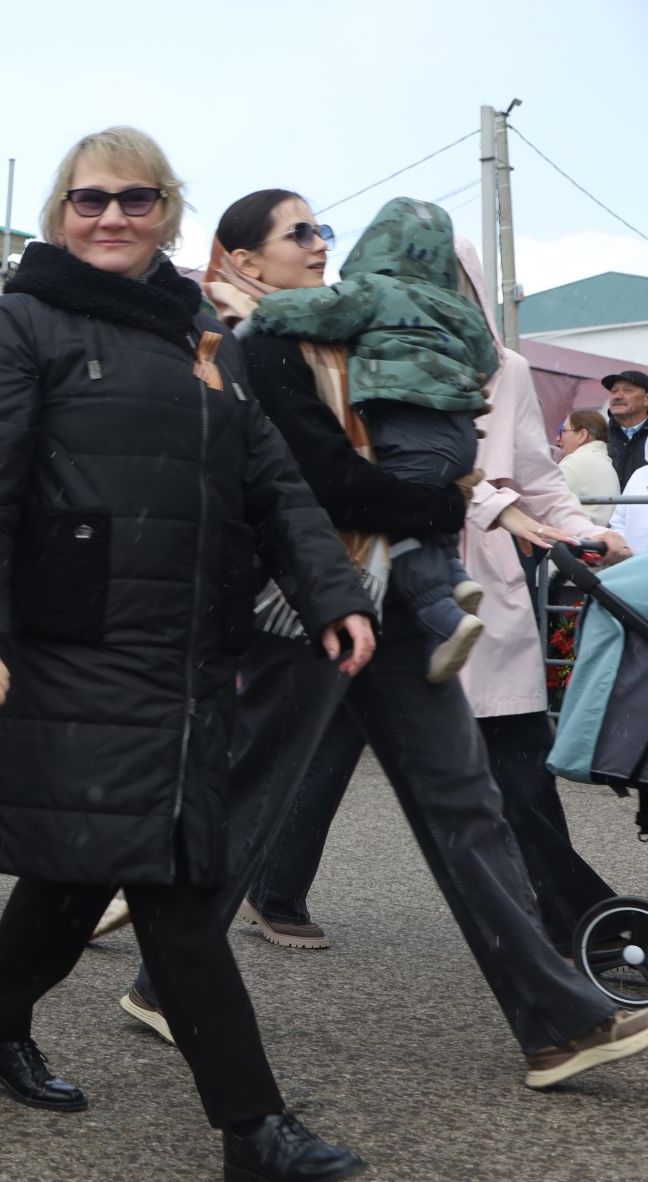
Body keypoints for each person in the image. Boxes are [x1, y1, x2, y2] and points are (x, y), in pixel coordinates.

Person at [123, 184, 648, 1089]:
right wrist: (448, 501)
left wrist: (479, 502)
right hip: (308, 605)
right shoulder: (261, 345)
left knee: (465, 806)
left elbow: (445, 450)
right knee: (254, 798)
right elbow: (328, 484)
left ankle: (558, 1018)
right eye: (300, 234)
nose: (321, 244)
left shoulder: (355, 338)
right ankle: (161, 977)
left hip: (396, 605)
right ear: (245, 263)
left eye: (323, 229)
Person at [0, 129, 376, 1182]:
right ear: (59, 210)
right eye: (90, 199)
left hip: (182, 650)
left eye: (137, 200)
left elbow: (267, 478)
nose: (112, 217)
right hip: (72, 643)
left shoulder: (194, 331)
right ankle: (252, 1127)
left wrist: (331, 592)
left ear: (168, 213)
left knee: (82, 864)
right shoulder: (24, 321)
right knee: (175, 877)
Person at [245, 238, 632, 955]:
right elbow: (380, 465)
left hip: (482, 587)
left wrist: (579, 529)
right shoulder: (359, 351)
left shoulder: (505, 366)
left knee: (511, 766)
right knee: (327, 753)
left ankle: (576, 932)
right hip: (391, 570)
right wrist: (490, 507)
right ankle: (209, 918)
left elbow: (535, 472)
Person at [249, 198, 500, 682]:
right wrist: (452, 383)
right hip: (461, 427)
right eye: (301, 234)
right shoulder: (458, 306)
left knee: (405, 528)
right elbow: (488, 361)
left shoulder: (373, 290)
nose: (319, 245)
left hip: (407, 423)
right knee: (432, 503)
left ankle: (443, 618)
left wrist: (265, 313)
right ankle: (456, 577)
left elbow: (322, 310)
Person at [558, 411, 620, 525]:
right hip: (600, 537)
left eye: (563, 431)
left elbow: (547, 506)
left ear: (582, 435)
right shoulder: (604, 462)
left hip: (576, 538)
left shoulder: (573, 463)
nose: (558, 439)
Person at [603, 370, 648, 487]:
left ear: (646, 399)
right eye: (614, 391)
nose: (618, 396)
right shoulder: (599, 436)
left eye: (627, 390)